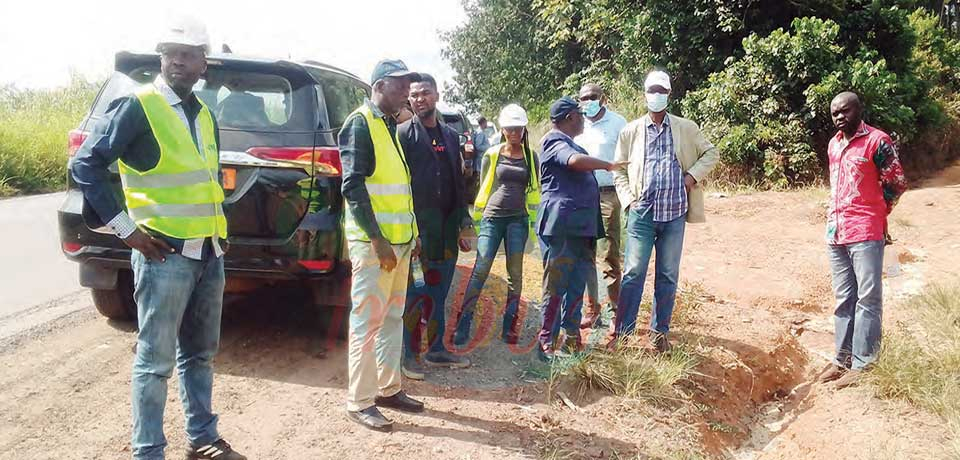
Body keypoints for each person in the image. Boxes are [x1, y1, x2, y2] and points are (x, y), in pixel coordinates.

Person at [69, 17, 246, 460]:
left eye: (188, 54)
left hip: (208, 252)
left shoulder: (203, 114)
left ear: (204, 63)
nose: (178, 62)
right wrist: (126, 229)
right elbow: (85, 165)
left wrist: (217, 238)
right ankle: (148, 452)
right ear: (161, 58)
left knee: (200, 355)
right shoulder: (138, 106)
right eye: (170, 53)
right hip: (164, 257)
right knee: (154, 363)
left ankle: (202, 438)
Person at [339, 59, 425, 431]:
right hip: (376, 245)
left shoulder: (389, 126)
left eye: (409, 84)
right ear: (379, 86)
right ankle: (359, 402)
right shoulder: (360, 124)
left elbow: (399, 188)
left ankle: (389, 389)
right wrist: (378, 239)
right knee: (368, 321)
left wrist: (413, 232)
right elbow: (353, 186)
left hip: (400, 242)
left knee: (392, 318)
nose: (407, 91)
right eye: (400, 84)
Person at [611, 70, 719, 353]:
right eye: (652, 90)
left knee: (668, 274)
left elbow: (711, 153)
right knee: (634, 272)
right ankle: (623, 333)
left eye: (661, 91)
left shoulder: (685, 128)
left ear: (669, 95)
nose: (656, 95)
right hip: (642, 213)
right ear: (645, 94)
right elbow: (618, 169)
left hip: (674, 213)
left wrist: (691, 176)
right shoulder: (631, 131)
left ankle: (660, 333)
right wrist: (628, 199)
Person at [817, 92, 906, 389]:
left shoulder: (877, 141)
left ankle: (864, 363)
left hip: (866, 231)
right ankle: (841, 360)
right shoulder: (833, 144)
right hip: (836, 232)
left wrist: (879, 210)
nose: (840, 117)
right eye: (835, 114)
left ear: (859, 110)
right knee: (844, 299)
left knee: (868, 298)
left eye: (845, 111)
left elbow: (896, 182)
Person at [398, 73, 475, 378]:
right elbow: (400, 185)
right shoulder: (403, 135)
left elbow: (458, 184)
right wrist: (408, 231)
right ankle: (410, 356)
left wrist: (464, 224)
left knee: (439, 292)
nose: (419, 99)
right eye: (414, 95)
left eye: (425, 93)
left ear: (437, 95)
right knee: (415, 293)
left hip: (445, 233)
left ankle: (437, 350)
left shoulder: (450, 135)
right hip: (418, 235)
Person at [537, 97, 625, 358]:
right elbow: (573, 161)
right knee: (556, 283)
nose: (584, 118)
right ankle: (546, 341)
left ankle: (571, 337)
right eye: (579, 114)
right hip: (563, 225)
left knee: (576, 283)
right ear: (569, 118)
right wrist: (607, 165)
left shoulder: (569, 141)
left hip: (582, 226)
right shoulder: (554, 140)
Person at [453, 104, 541, 347]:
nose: (514, 133)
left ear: (524, 130)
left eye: (518, 129)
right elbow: (484, 184)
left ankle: (509, 327)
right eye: (510, 129)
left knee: (516, 275)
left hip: (518, 221)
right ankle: (463, 326)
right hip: (492, 219)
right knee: (480, 270)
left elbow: (534, 189)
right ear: (503, 130)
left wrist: (532, 230)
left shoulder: (532, 157)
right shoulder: (492, 154)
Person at [574, 83, 629, 329]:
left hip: (608, 194)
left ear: (602, 98)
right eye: (584, 98)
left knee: (609, 252)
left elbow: (630, 158)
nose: (588, 101)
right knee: (585, 253)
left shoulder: (619, 124)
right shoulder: (577, 125)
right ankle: (592, 308)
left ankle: (615, 311)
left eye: (592, 97)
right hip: (583, 194)